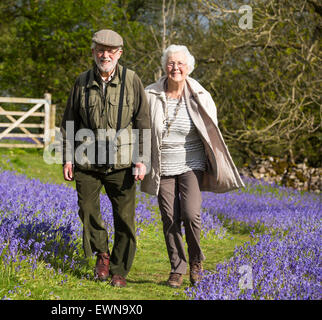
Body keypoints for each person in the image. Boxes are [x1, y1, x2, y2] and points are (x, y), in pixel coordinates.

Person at [141, 44, 244, 288]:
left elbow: (212, 132)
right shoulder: (150, 94)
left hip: (192, 163)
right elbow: (142, 130)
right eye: (171, 63)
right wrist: (140, 160)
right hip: (162, 164)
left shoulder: (201, 96)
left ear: (189, 67)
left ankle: (196, 261)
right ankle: (177, 268)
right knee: (169, 216)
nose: (175, 68)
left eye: (180, 64)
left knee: (190, 213)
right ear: (164, 66)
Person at [60, 29, 150, 288]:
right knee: (87, 210)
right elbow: (69, 122)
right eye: (100, 50)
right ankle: (102, 254)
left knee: (125, 218)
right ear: (93, 52)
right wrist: (67, 158)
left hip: (122, 162)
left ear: (119, 54)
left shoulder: (132, 81)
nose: (105, 55)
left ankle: (119, 269)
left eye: (111, 51)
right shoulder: (81, 82)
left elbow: (143, 121)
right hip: (87, 159)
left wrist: (141, 158)